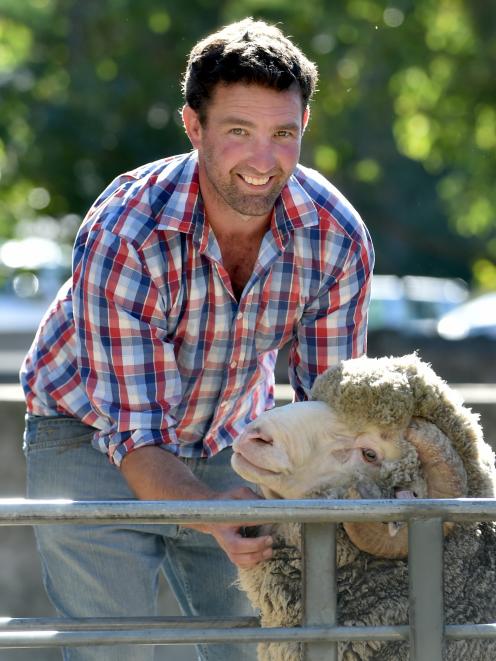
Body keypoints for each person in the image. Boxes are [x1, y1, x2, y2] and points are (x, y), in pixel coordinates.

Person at [20, 17, 373, 661]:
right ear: (193, 126)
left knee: (259, 649)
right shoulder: (126, 231)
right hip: (89, 433)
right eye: (239, 132)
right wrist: (209, 512)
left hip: (231, 432)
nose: (264, 162)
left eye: (283, 134)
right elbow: (136, 435)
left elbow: (331, 411)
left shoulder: (336, 237)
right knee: (116, 652)